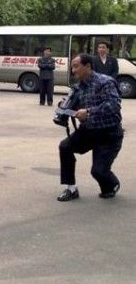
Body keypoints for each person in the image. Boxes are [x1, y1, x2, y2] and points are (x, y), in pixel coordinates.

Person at [57, 54, 124, 202]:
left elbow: (113, 105)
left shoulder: (105, 82)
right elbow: (75, 105)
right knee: (65, 146)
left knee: (98, 172)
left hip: (109, 134)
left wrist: (88, 112)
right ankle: (71, 189)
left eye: (76, 66)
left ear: (87, 66)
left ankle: (111, 185)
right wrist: (64, 104)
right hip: (88, 131)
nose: (73, 70)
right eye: (72, 67)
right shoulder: (78, 86)